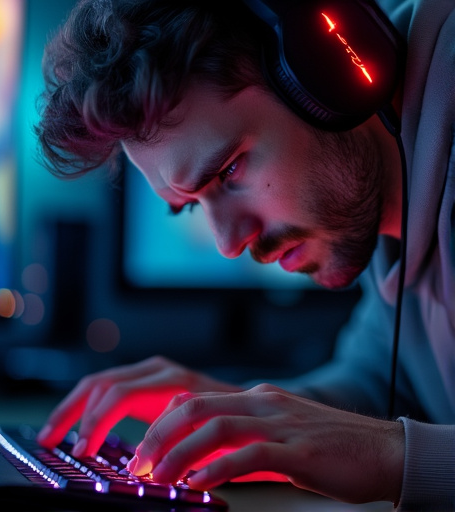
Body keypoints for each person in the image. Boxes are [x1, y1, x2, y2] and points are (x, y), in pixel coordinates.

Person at [34, 0, 455, 509]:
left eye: (229, 171)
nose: (229, 244)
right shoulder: (391, 213)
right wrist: (234, 413)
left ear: (328, 72)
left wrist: (395, 459)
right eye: (190, 207)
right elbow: (375, 387)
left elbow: (381, 441)